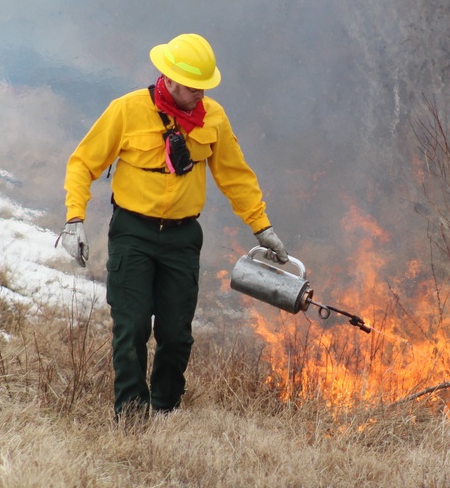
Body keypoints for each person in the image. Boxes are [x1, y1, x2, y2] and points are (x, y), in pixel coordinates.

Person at [59, 33, 287, 419]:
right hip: (133, 233)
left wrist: (262, 228)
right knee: (131, 328)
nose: (202, 94)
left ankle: (165, 410)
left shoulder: (212, 116)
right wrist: (74, 219)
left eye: (205, 87)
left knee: (176, 333)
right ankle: (131, 415)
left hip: (182, 238)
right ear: (170, 79)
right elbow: (83, 163)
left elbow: (235, 176)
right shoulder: (127, 110)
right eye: (195, 87)